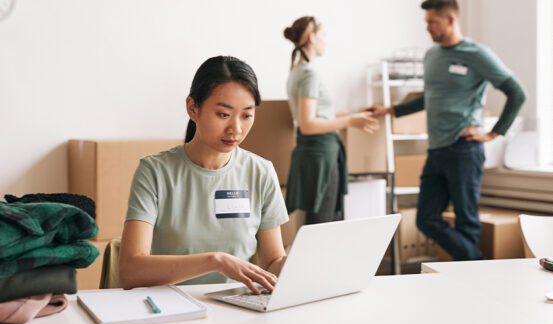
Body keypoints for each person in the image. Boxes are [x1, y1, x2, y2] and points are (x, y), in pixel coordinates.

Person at [367, 0, 526, 260]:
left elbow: (517, 93)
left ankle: (470, 276)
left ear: (451, 19)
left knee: (467, 222)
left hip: (465, 149)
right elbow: (429, 98)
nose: (427, 27)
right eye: (426, 22)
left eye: (432, 22)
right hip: (437, 150)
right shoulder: (432, 56)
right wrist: (391, 110)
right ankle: (478, 265)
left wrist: (493, 133)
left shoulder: (477, 54)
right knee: (425, 219)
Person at [119, 56, 288, 295]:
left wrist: (303, 262)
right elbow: (130, 271)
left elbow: (272, 263)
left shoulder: (260, 171)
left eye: (247, 115)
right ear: (192, 108)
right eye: (223, 114)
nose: (236, 129)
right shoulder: (155, 172)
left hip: (239, 310)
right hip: (170, 308)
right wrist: (215, 261)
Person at [283, 16, 379, 224]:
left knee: (319, 222)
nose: (326, 40)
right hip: (321, 155)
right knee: (324, 223)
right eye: (323, 35)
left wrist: (339, 117)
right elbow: (308, 124)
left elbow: (308, 119)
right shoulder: (309, 74)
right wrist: (350, 121)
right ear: (312, 37)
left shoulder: (297, 71)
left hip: (314, 153)